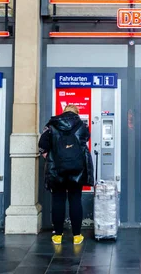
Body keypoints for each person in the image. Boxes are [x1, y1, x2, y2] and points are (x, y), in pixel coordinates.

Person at [39, 104, 94, 245]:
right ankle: (76, 235)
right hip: (77, 170)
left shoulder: (51, 125)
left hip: (57, 170)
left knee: (58, 200)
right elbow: (85, 140)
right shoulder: (82, 125)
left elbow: (42, 145)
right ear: (77, 113)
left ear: (63, 112)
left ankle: (58, 235)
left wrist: (52, 158)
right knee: (75, 200)